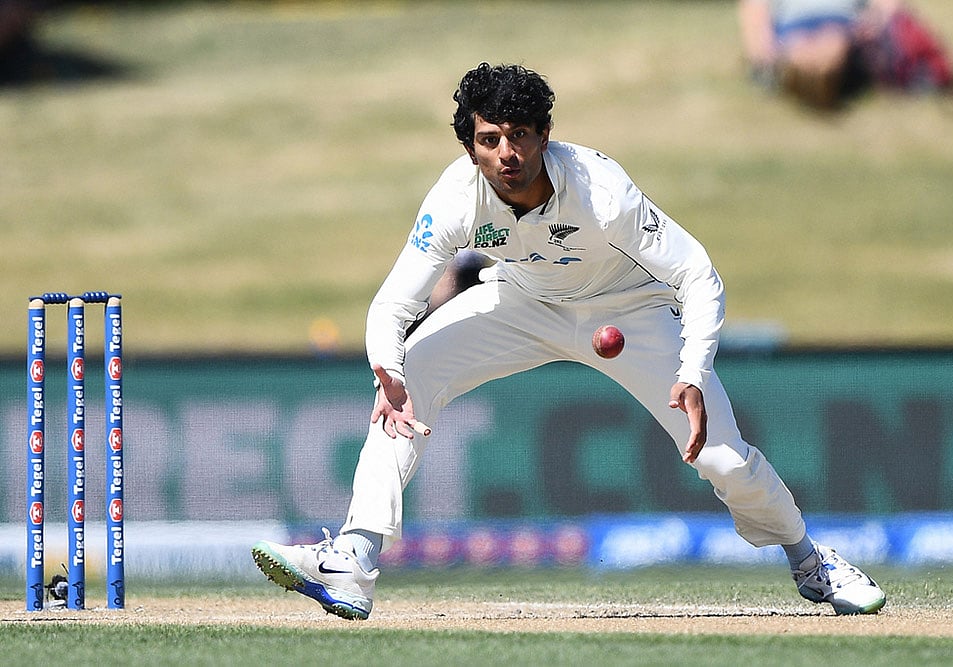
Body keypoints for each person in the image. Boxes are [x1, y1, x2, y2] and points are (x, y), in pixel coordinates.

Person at [251, 63, 887, 619]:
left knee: (720, 458)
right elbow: (394, 301)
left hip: (630, 311)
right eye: (489, 140)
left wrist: (692, 371)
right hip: (523, 302)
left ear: (543, 137)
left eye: (520, 136)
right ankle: (353, 563)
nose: (507, 153)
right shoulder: (455, 197)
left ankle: (810, 560)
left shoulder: (602, 191)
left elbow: (699, 275)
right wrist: (388, 367)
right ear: (471, 148)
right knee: (409, 377)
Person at [739, 0, 953, 109]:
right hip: (802, 31)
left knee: (821, 47)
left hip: (835, 28)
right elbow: (754, 9)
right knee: (813, 49)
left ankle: (811, 76)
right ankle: (809, 75)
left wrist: (877, 20)